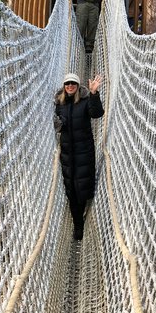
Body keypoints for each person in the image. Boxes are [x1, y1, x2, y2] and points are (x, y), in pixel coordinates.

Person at [54, 72, 104, 240]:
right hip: (67, 154)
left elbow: (97, 113)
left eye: (73, 84)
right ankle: (77, 220)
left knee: (81, 188)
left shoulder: (84, 101)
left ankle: (79, 225)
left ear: (77, 86)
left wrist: (94, 94)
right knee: (71, 190)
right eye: (67, 83)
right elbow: (56, 123)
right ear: (64, 86)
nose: (70, 86)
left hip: (84, 152)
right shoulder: (59, 103)